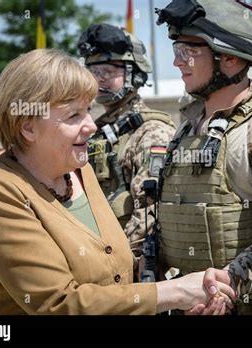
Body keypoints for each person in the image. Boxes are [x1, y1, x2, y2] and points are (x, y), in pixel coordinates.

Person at [0, 48, 234, 315]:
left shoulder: (80, 172)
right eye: (74, 115)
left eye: (88, 110)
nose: (91, 125)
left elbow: (118, 274)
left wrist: (188, 298)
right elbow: (60, 304)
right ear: (28, 127)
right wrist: (175, 292)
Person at [155, 0, 252, 314]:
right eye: (176, 51)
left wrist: (228, 285)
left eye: (188, 52)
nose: (177, 63)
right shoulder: (186, 130)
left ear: (231, 59)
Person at [77, 25, 176, 271]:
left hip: (128, 266)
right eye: (93, 71)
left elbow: (149, 213)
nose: (98, 79)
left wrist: (113, 265)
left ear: (135, 74)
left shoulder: (152, 132)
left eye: (108, 71)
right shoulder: (93, 130)